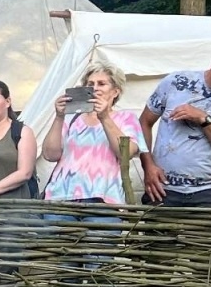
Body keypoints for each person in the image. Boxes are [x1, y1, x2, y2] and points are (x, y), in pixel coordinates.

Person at [140, 45, 211, 207]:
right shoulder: (176, 82)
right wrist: (148, 165)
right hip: (163, 188)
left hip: (207, 191)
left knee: (206, 233)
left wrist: (203, 118)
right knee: (155, 233)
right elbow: (144, 123)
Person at [41, 63, 147, 206]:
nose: (95, 88)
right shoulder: (72, 118)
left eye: (101, 84)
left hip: (104, 200)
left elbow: (126, 153)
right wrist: (59, 116)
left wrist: (104, 117)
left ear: (115, 92)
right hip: (62, 196)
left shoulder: (126, 117)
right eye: (90, 84)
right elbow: (50, 155)